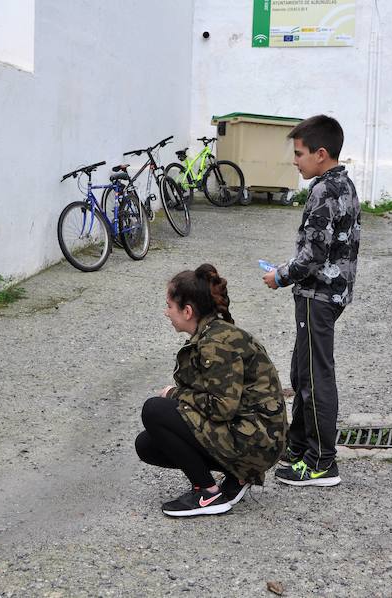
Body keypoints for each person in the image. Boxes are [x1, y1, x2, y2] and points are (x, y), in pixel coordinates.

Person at [135, 264, 287, 517]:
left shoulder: (216, 344)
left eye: (169, 306)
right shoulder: (211, 334)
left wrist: (174, 394)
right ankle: (237, 476)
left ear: (187, 310)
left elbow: (221, 407)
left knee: (155, 410)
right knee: (148, 445)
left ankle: (207, 493)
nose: (166, 312)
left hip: (257, 442)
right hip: (251, 436)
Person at [262, 114, 361, 487]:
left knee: (316, 377)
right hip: (329, 293)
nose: (295, 160)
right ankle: (299, 447)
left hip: (317, 295)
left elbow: (313, 255)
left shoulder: (323, 191)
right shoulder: (344, 185)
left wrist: (280, 275)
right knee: (302, 372)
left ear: (321, 154)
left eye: (300, 153)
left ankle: (321, 462)